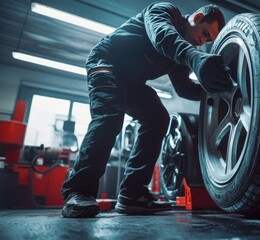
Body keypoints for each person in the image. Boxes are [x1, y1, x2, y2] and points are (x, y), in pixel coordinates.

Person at [61, 2, 232, 218]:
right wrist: (195, 58)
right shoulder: (165, 11)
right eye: (205, 33)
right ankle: (77, 192)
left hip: (131, 82)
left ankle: (132, 194)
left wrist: (217, 93)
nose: (202, 41)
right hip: (106, 63)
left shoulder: (182, 50)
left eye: (208, 40)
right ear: (197, 17)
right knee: (110, 117)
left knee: (158, 119)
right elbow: (162, 36)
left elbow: (183, 88)